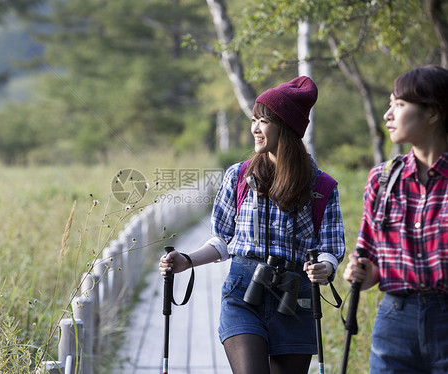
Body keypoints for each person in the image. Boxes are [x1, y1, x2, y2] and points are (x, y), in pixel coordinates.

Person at [159, 76, 345, 374]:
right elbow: (221, 241)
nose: (254, 128)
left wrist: (325, 267)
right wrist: (186, 261)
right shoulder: (239, 176)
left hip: (294, 299)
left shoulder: (321, 186)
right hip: (242, 292)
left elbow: (330, 249)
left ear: (286, 127)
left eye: (263, 121)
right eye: (254, 120)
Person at [343, 65, 448, 373]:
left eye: (399, 105)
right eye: (389, 104)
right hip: (394, 320)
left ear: (433, 113)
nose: (388, 115)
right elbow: (371, 258)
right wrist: (361, 273)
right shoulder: (382, 178)